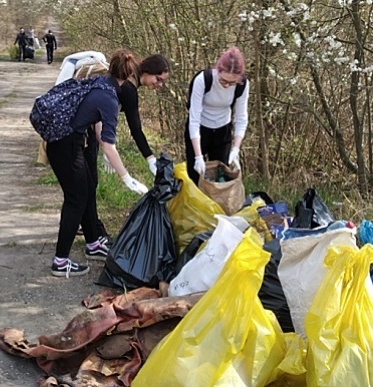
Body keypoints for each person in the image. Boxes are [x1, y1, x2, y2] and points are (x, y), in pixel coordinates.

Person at [44, 54, 149, 278]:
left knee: (88, 186)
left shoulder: (100, 83)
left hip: (66, 143)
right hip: (66, 146)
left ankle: (92, 244)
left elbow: (100, 131)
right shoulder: (110, 99)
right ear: (130, 75)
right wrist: (126, 178)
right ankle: (60, 261)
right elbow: (109, 145)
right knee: (77, 199)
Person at [73, 50, 170, 245]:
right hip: (83, 132)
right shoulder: (128, 88)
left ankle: (90, 226)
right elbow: (136, 129)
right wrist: (149, 159)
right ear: (149, 71)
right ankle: (94, 234)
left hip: (88, 129)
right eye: (158, 79)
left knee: (88, 183)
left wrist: (103, 142)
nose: (159, 85)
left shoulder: (128, 83)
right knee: (88, 185)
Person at [185, 46, 249, 185]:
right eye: (223, 81)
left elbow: (241, 118)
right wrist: (198, 156)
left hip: (222, 130)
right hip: (199, 130)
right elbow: (194, 118)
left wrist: (236, 148)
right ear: (218, 71)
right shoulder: (203, 80)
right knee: (194, 176)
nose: (226, 86)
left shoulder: (242, 85)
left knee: (220, 177)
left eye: (232, 83)